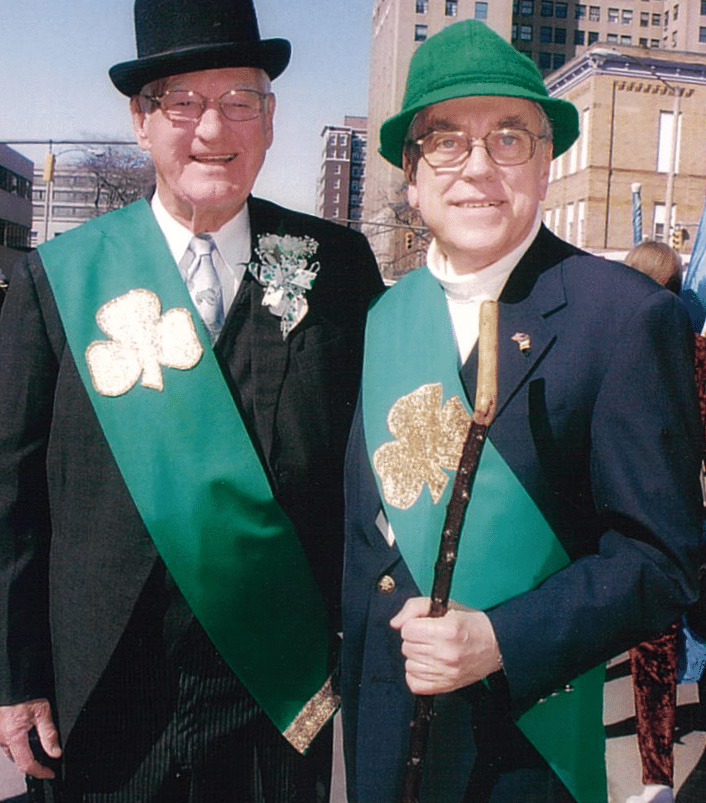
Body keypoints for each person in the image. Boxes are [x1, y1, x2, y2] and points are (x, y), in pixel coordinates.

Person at [0, 0, 382, 800]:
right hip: (96, 693)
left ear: (271, 119)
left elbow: (371, 470)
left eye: (240, 100)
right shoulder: (57, 281)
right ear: (142, 122)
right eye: (182, 102)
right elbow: (10, 498)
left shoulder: (338, 268)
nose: (213, 130)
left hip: (269, 694)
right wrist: (14, 673)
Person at [341, 21, 702, 803]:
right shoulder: (382, 318)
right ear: (412, 172)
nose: (477, 168)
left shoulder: (625, 318)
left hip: (525, 752)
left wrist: (502, 638)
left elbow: (663, 561)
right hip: (379, 743)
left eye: (509, 139)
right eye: (445, 141)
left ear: (545, 163)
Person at [622, 240, 706, 803]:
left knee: (650, 659)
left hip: (627, 528)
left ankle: (657, 777)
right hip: (688, 525)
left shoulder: (610, 345)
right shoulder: (696, 354)